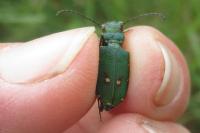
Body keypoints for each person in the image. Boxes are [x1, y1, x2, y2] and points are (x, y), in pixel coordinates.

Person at [0, 26, 190, 133]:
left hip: (109, 96)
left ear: (106, 37)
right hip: (115, 98)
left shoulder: (102, 51)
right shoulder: (125, 54)